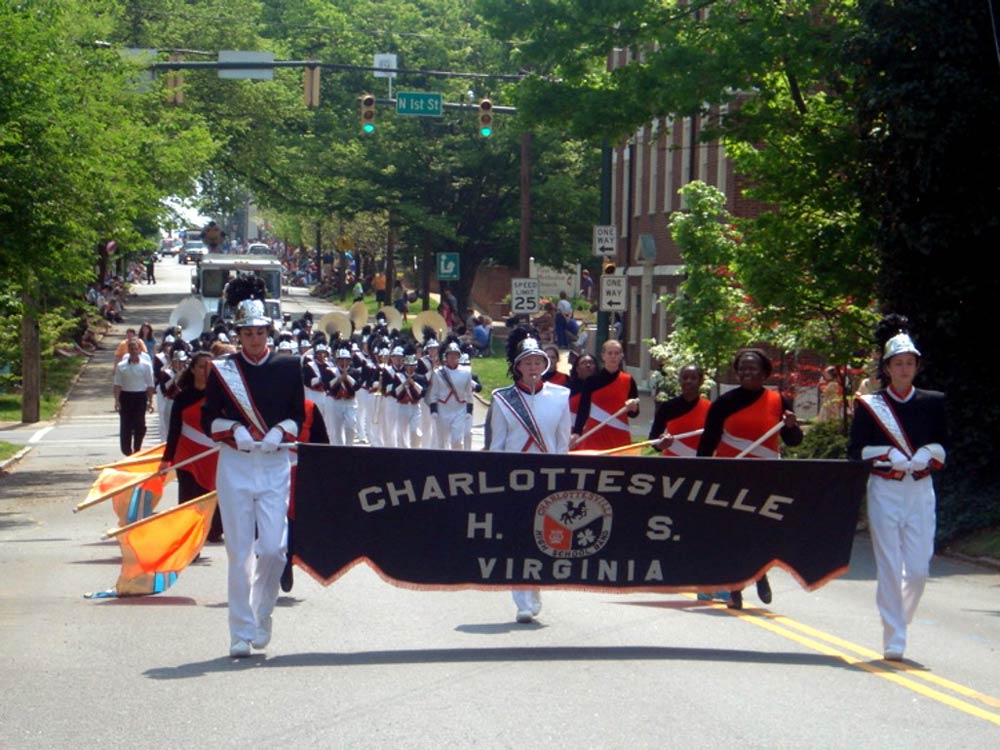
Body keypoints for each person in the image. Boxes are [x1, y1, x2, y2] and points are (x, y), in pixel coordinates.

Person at [201, 278, 305, 658]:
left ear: (268, 331)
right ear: (239, 334)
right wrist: (234, 429)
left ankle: (262, 614)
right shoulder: (222, 370)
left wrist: (281, 430)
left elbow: (297, 414)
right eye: (248, 333)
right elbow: (208, 419)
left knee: (275, 548)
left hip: (274, 463)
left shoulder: (289, 366)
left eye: (260, 332)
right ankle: (239, 631)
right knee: (239, 551)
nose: (255, 339)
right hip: (236, 465)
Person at [847, 319, 947, 662]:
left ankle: (899, 620)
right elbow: (857, 450)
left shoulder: (934, 402)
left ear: (917, 366)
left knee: (918, 570)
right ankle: (894, 637)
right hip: (885, 490)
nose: (904, 369)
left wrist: (927, 453)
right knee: (889, 565)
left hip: (919, 490)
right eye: (898, 363)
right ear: (887, 368)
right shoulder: (869, 405)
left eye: (909, 363)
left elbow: (943, 445)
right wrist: (888, 453)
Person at [697, 348, 803, 610]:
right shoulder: (723, 403)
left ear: (765, 373)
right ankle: (735, 591)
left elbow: (794, 441)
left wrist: (791, 426)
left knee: (761, 531)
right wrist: (701, 474)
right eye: (742, 368)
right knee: (735, 534)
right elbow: (707, 443)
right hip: (731, 476)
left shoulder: (778, 401)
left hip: (765, 477)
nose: (747, 372)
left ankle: (760, 573)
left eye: (752, 368)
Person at [486, 327, 571, 623]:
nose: (533, 367)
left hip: (547, 476)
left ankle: (534, 589)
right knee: (518, 537)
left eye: (537, 362)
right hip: (514, 477)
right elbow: (497, 444)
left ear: (544, 365)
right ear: (518, 366)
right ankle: (521, 599)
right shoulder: (503, 399)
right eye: (527, 362)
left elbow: (561, 443)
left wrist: (563, 476)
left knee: (543, 538)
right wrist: (496, 478)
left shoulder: (560, 396)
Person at [162, 352, 222, 542]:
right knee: (189, 497)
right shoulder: (183, 397)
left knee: (212, 494)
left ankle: (212, 530)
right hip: (187, 456)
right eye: (201, 367)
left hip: (213, 455)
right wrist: (166, 458)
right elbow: (174, 429)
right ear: (193, 369)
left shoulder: (220, 397)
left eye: (209, 367)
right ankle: (188, 538)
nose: (205, 371)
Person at [570, 339, 639, 451]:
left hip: (619, 436)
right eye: (610, 353)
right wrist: (576, 432)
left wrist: (633, 407)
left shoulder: (628, 380)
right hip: (595, 436)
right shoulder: (591, 381)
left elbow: (633, 414)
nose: (613, 356)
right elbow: (583, 409)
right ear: (603, 356)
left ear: (621, 356)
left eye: (616, 353)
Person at [649, 365, 711, 458]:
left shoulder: (710, 408)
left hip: (700, 462)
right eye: (685, 378)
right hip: (672, 462)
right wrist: (660, 444)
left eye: (693, 378)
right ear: (679, 380)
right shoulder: (667, 407)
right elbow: (653, 438)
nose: (688, 381)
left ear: (701, 381)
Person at [428, 340, 474, 450]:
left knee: (457, 440)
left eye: (455, 354)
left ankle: (456, 459)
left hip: (459, 409)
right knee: (442, 441)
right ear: (446, 356)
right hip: (443, 409)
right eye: (450, 354)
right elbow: (433, 393)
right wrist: (434, 410)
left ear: (459, 356)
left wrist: (469, 410)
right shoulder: (438, 373)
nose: (453, 357)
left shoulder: (466, 372)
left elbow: (468, 393)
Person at [113, 340, 155, 455]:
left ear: (139, 350)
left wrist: (150, 401)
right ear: (129, 350)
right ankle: (126, 450)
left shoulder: (146, 365)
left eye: (136, 349)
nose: (134, 351)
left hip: (140, 396)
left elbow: (150, 384)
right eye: (131, 349)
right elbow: (117, 384)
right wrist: (117, 400)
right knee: (126, 424)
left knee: (140, 424)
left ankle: (137, 448)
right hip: (126, 396)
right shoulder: (121, 366)